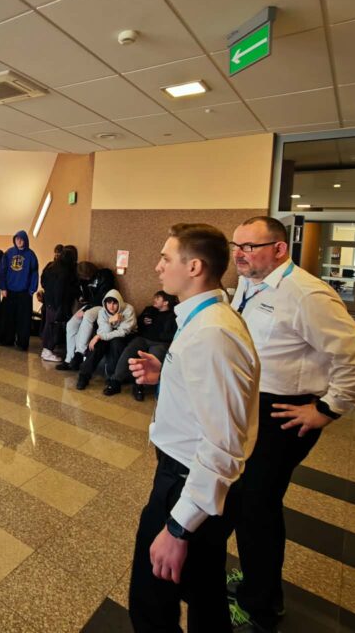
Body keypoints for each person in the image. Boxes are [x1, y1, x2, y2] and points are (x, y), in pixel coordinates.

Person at [226, 217, 355, 633]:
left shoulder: (307, 294)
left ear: (279, 249)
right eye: (236, 245)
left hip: (283, 414)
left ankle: (261, 606)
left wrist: (326, 410)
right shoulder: (250, 284)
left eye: (250, 246)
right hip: (252, 407)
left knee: (257, 508)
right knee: (248, 504)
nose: (239, 253)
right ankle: (257, 581)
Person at [126, 223, 259, 633]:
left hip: (187, 483)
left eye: (166, 258)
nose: (158, 266)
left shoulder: (213, 332)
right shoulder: (203, 319)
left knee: (151, 603)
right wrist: (166, 374)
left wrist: (178, 527)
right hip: (189, 477)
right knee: (204, 593)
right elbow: (206, 397)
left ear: (195, 267)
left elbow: (223, 442)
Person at [105, 291, 177, 399]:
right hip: (142, 339)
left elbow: (173, 334)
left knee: (152, 359)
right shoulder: (149, 309)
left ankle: (139, 386)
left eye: (158, 298)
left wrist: (160, 334)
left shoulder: (173, 315)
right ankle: (116, 381)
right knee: (128, 352)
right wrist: (142, 321)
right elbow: (136, 323)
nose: (154, 300)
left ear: (166, 302)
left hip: (160, 343)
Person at [58, 266, 116, 372]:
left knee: (88, 316)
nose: (85, 279)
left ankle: (79, 353)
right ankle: (69, 358)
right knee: (71, 324)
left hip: (103, 306)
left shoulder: (105, 275)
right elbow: (86, 296)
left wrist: (85, 309)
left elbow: (102, 298)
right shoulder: (85, 280)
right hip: (91, 305)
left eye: (85, 277)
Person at [75, 289, 135, 390]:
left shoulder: (128, 310)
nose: (111, 306)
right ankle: (84, 375)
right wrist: (109, 321)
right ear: (105, 303)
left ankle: (112, 377)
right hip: (108, 333)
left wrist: (99, 336)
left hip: (125, 336)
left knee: (116, 343)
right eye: (108, 303)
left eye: (114, 303)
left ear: (119, 302)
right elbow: (104, 331)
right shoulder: (102, 311)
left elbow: (123, 332)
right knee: (97, 345)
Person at [0, 230, 39, 351]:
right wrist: (3, 287)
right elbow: (2, 271)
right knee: (8, 318)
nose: (19, 241)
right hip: (9, 291)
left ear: (25, 240)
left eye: (21, 239)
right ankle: (7, 340)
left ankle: (22, 342)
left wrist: (32, 290)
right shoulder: (9, 253)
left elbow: (34, 273)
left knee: (23, 319)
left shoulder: (31, 255)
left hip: (24, 292)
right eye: (17, 239)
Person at [40, 245, 79, 362]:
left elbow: (43, 281)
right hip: (57, 303)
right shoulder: (65, 271)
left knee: (49, 324)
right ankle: (47, 350)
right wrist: (59, 305)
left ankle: (46, 349)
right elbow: (60, 289)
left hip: (49, 300)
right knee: (53, 326)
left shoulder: (52, 266)